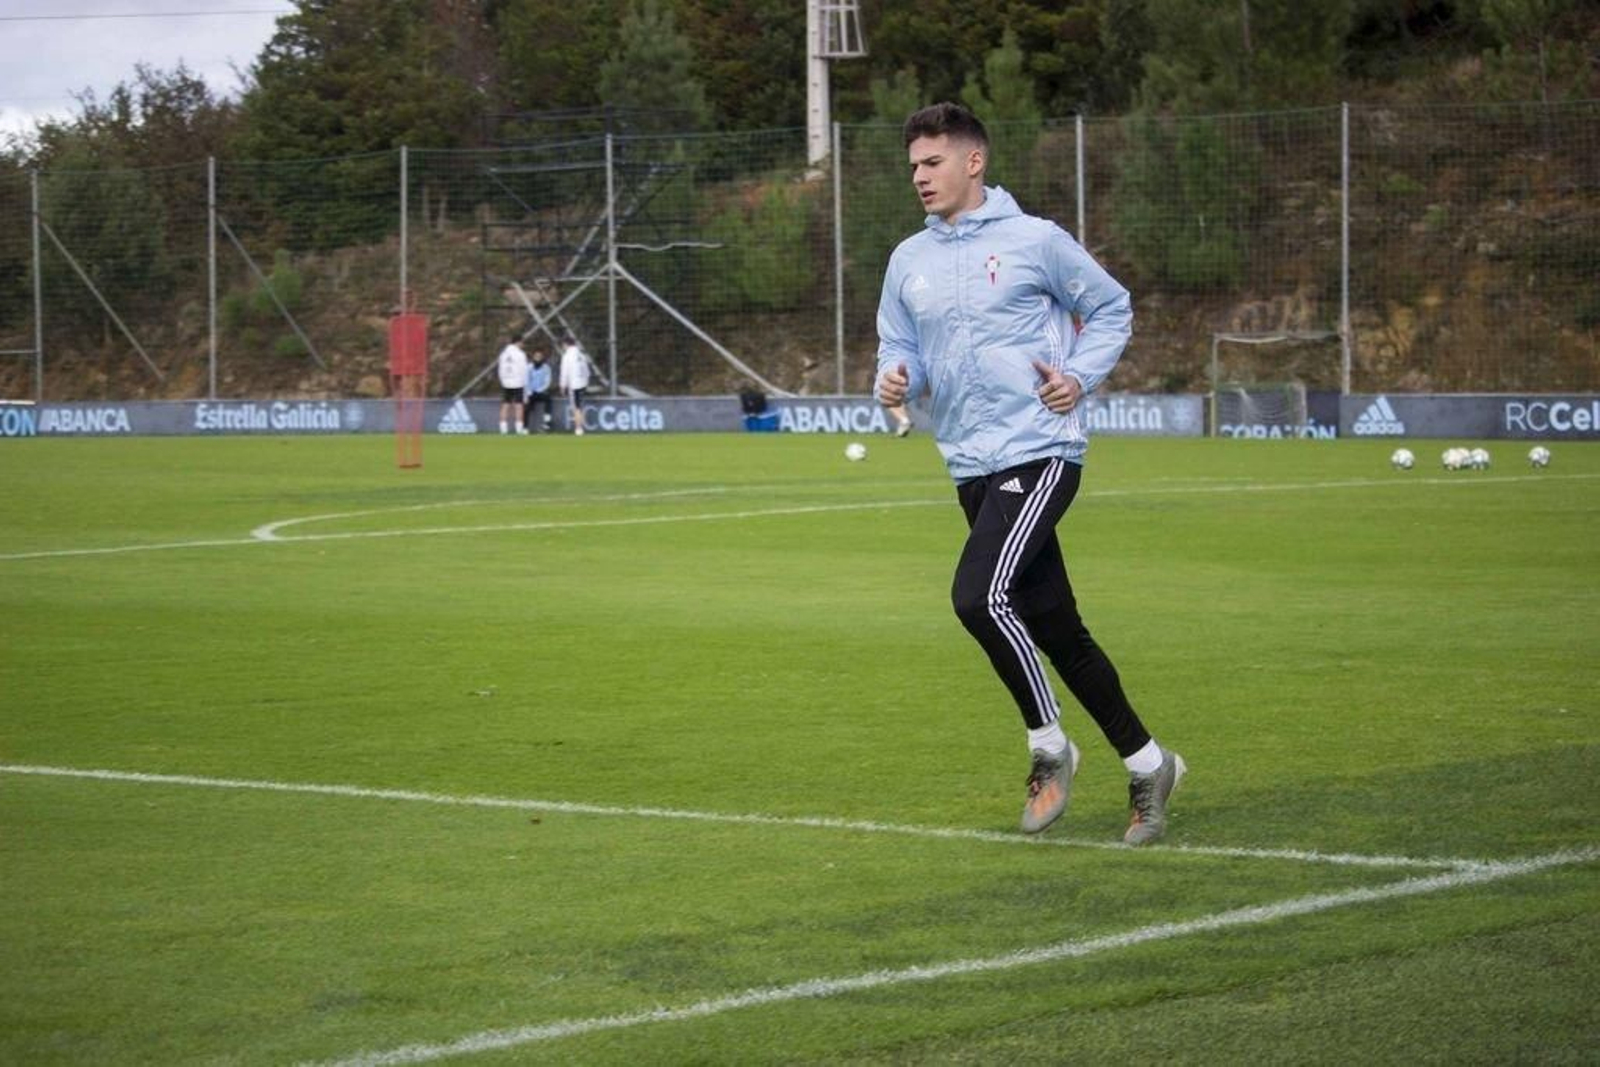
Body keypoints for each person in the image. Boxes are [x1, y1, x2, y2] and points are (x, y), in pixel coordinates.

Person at [874, 102, 1184, 846]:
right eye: (914, 165)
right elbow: (898, 344)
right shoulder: (907, 260)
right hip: (969, 460)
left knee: (978, 597)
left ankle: (1050, 746)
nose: (920, 177)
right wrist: (895, 377)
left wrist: (1077, 376)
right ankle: (1150, 763)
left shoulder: (1036, 241)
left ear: (973, 161)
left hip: (1040, 447)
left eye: (933, 162)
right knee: (1055, 626)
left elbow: (1111, 307)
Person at [496, 332, 529, 435]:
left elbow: (500, 369)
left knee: (505, 405)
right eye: (522, 343)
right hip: (518, 382)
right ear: (518, 342)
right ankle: (519, 429)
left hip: (506, 382)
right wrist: (525, 384)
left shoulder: (503, 354)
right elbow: (524, 371)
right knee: (519, 405)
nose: (523, 345)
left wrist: (503, 381)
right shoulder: (520, 354)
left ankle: (503, 429)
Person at [558, 335, 592, 435]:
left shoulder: (567, 356)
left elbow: (564, 372)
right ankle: (580, 427)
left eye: (563, 345)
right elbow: (587, 371)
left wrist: (562, 385)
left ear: (566, 344)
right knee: (580, 406)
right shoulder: (581, 355)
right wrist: (586, 382)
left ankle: (578, 428)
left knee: (576, 407)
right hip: (582, 383)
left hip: (574, 384)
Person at [524, 346, 554, 432]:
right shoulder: (528, 367)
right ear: (533, 357)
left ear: (542, 357)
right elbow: (526, 381)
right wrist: (529, 391)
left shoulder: (546, 368)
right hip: (530, 392)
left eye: (540, 357)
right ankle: (525, 427)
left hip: (541, 392)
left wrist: (540, 390)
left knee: (548, 399)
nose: (538, 358)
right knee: (526, 405)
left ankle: (547, 423)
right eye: (536, 356)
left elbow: (547, 381)